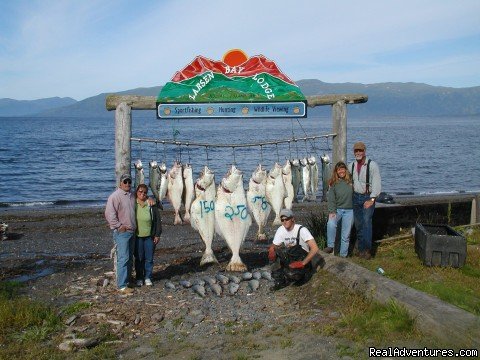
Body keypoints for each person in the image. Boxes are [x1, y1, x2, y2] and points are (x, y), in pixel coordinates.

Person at [268, 208, 320, 290]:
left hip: (302, 259)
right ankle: (279, 282)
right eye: (282, 220)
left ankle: (302, 275)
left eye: (287, 219)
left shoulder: (302, 230)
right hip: (290, 257)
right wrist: (271, 250)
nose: (284, 222)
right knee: (275, 252)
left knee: (293, 276)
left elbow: (315, 248)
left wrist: (302, 263)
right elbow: (274, 245)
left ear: (292, 219)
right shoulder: (281, 230)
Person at [349, 142, 381, 259]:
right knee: (358, 224)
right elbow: (347, 180)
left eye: (360, 150)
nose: (358, 153)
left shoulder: (372, 165)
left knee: (367, 222)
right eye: (356, 151)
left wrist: (372, 199)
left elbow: (377, 185)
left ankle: (367, 250)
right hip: (355, 197)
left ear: (364, 151)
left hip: (368, 197)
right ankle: (360, 249)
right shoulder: (351, 165)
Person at [105, 173, 136, 294]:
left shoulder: (132, 195)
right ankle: (122, 285)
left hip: (132, 232)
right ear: (120, 183)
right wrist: (119, 226)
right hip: (122, 233)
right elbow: (109, 214)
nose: (127, 184)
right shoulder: (115, 196)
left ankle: (127, 281)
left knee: (129, 259)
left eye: (129, 182)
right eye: (125, 182)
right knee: (123, 258)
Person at [134, 184, 162, 287]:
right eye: (140, 192)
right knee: (139, 258)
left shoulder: (151, 204)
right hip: (137, 237)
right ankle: (139, 277)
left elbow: (158, 221)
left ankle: (148, 277)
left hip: (149, 236)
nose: (142, 194)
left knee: (149, 258)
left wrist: (157, 234)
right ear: (136, 192)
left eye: (145, 192)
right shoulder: (133, 203)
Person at [325, 161, 354, 257]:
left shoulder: (351, 180)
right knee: (331, 223)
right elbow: (331, 199)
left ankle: (343, 256)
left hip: (350, 211)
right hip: (337, 210)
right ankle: (330, 246)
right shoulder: (333, 183)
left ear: (345, 169)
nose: (341, 171)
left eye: (342, 169)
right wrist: (331, 211)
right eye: (339, 169)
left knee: (345, 236)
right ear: (336, 171)